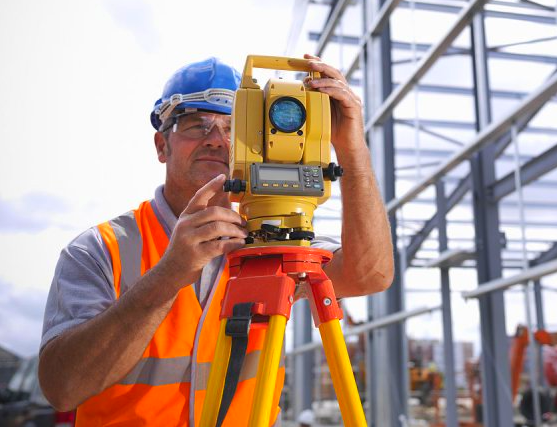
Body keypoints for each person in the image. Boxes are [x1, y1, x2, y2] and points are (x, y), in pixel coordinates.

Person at [38, 56, 394, 425]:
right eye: (196, 125)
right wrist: (169, 274)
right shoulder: (102, 249)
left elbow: (370, 274)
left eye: (232, 127)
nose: (217, 141)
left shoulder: (271, 239)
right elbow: (63, 387)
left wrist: (352, 149)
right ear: (162, 146)